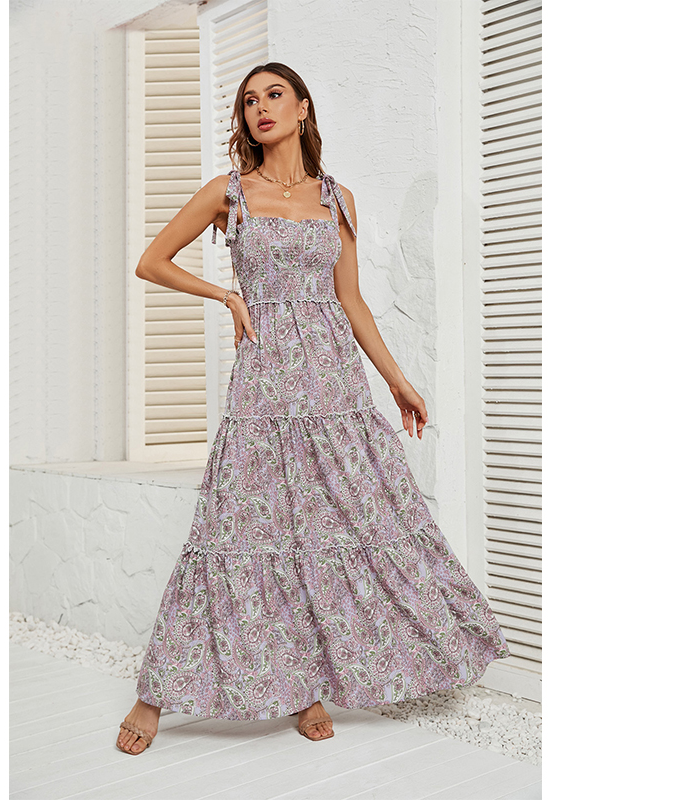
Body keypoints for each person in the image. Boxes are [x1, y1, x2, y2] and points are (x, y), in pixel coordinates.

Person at [116, 62, 511, 755]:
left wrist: (397, 380)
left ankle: (306, 690)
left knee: (334, 531)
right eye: (249, 101)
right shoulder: (228, 192)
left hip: (332, 387)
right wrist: (228, 296)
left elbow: (351, 300)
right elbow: (153, 261)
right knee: (235, 532)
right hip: (264, 386)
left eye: (274, 95)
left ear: (302, 108)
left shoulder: (337, 198)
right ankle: (155, 695)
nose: (260, 108)